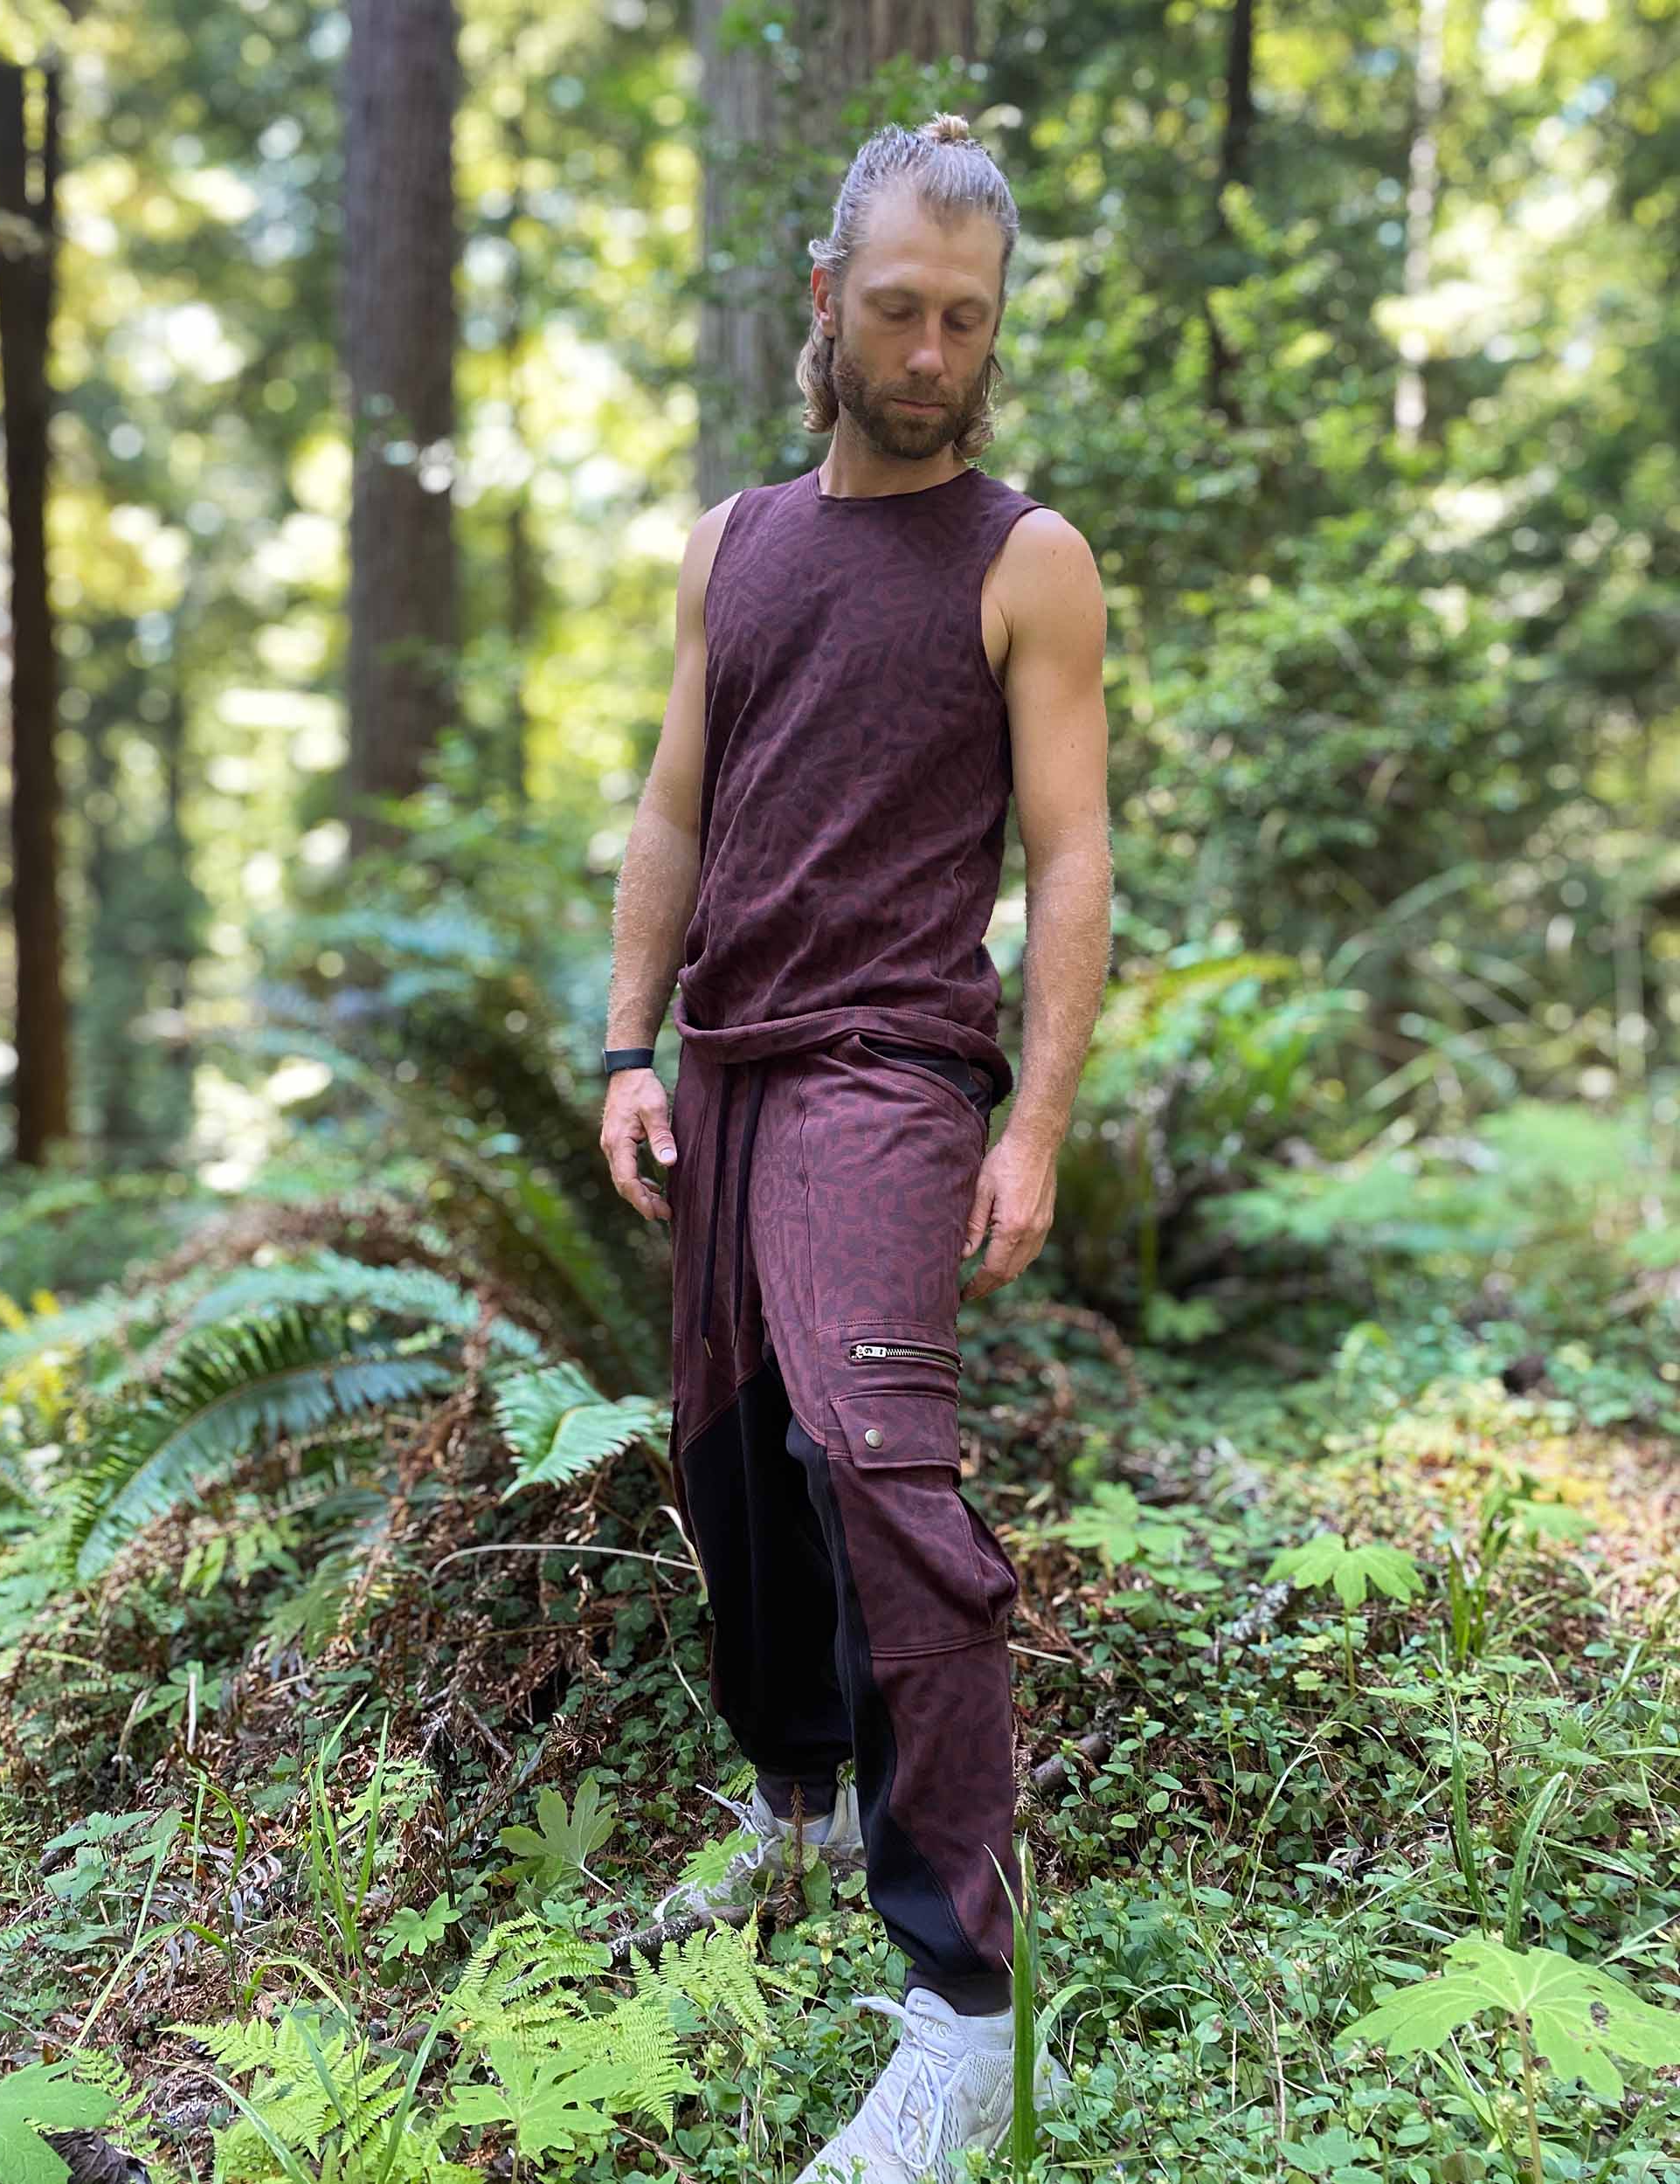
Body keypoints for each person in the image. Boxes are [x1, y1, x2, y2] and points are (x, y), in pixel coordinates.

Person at [600, 107, 1110, 2183]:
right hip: (721, 1068)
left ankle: (966, 2021)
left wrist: (1041, 1121)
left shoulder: (1025, 556)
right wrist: (630, 1041)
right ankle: (795, 1803)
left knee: (875, 1466)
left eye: (963, 321)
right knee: (731, 1459)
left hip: (892, 1073)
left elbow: (1069, 861)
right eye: (895, 308)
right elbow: (668, 812)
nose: (927, 351)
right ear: (825, 299)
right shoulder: (736, 542)